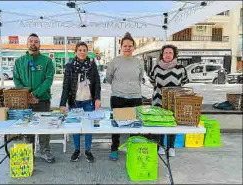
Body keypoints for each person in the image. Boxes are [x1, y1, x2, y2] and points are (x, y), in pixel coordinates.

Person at [13, 33, 55, 163]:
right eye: (31, 41)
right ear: (27, 43)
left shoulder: (47, 61)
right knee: (27, 127)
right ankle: (28, 152)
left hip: (42, 100)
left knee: (44, 127)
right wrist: (27, 95)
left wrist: (36, 94)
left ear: (39, 44)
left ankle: (45, 151)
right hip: (25, 101)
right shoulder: (19, 61)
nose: (33, 44)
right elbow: (16, 80)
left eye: (36, 41)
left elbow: (48, 80)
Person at [59, 42, 101, 163]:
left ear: (87, 52)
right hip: (74, 102)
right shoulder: (69, 66)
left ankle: (88, 150)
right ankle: (77, 149)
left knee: (89, 127)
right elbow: (66, 86)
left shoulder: (92, 65)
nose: (82, 52)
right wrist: (62, 103)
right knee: (75, 126)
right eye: (80, 50)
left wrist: (97, 98)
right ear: (76, 52)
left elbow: (97, 83)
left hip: (88, 101)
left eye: (84, 50)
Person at [106, 32, 145, 161]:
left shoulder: (139, 62)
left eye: (130, 46)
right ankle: (114, 148)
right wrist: (121, 86)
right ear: (121, 47)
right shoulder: (114, 61)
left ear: (133, 47)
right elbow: (109, 78)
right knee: (118, 124)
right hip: (119, 97)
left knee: (134, 125)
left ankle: (132, 148)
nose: (127, 48)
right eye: (125, 46)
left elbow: (140, 78)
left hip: (135, 97)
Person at [149, 44, 189, 157]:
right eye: (165, 52)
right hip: (158, 99)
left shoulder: (180, 68)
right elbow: (152, 80)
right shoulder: (156, 67)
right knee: (159, 123)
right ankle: (160, 146)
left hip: (174, 100)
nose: (167, 55)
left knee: (172, 123)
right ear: (162, 54)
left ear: (174, 54)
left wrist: (174, 90)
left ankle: (171, 146)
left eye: (170, 53)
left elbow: (184, 81)